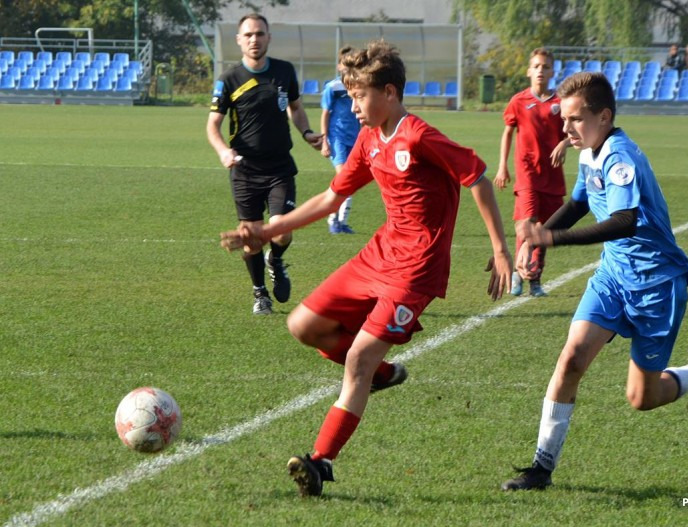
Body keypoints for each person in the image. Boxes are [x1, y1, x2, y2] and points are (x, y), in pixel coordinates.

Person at [220, 40, 513, 497]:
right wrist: (267, 229)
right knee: (303, 325)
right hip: (379, 255)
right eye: (350, 96)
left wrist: (500, 249)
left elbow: (475, 175)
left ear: (389, 93)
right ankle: (382, 374)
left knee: (357, 358)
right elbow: (331, 198)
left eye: (359, 96)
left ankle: (320, 462)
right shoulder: (369, 139)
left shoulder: (418, 136)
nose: (352, 106)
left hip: (416, 269)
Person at [500, 72, 688, 492]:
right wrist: (536, 238)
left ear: (604, 117)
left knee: (643, 398)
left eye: (575, 120)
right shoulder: (589, 151)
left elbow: (624, 221)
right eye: (564, 120)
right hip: (612, 277)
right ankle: (540, 469)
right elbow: (579, 202)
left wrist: (551, 238)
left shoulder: (620, 157)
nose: (566, 129)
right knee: (571, 360)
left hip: (656, 284)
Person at [207, 14, 324, 315]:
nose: (254, 40)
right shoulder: (229, 79)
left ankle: (276, 259)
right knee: (251, 238)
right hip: (245, 171)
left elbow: (295, 108)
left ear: (269, 37)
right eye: (248, 35)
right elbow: (212, 125)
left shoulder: (284, 71)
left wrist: (307, 132)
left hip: (279, 167)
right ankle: (260, 293)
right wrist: (223, 151)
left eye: (259, 34)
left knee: (282, 232)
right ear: (239, 40)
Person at [494, 48, 569, 298]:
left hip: (552, 176)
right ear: (529, 71)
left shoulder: (561, 103)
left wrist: (564, 144)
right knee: (526, 222)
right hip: (527, 174)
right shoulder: (518, 101)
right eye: (536, 66)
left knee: (544, 228)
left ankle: (535, 278)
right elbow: (507, 133)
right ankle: (519, 272)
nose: (540, 71)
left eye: (545, 67)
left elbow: (573, 132)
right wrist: (502, 165)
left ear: (552, 72)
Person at [320, 46, 362, 234]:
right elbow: (325, 113)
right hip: (337, 138)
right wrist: (324, 141)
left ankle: (340, 221)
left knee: (349, 180)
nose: (348, 68)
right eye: (345, 64)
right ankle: (335, 221)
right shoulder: (333, 87)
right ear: (339, 66)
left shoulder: (359, 86)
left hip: (354, 138)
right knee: (344, 177)